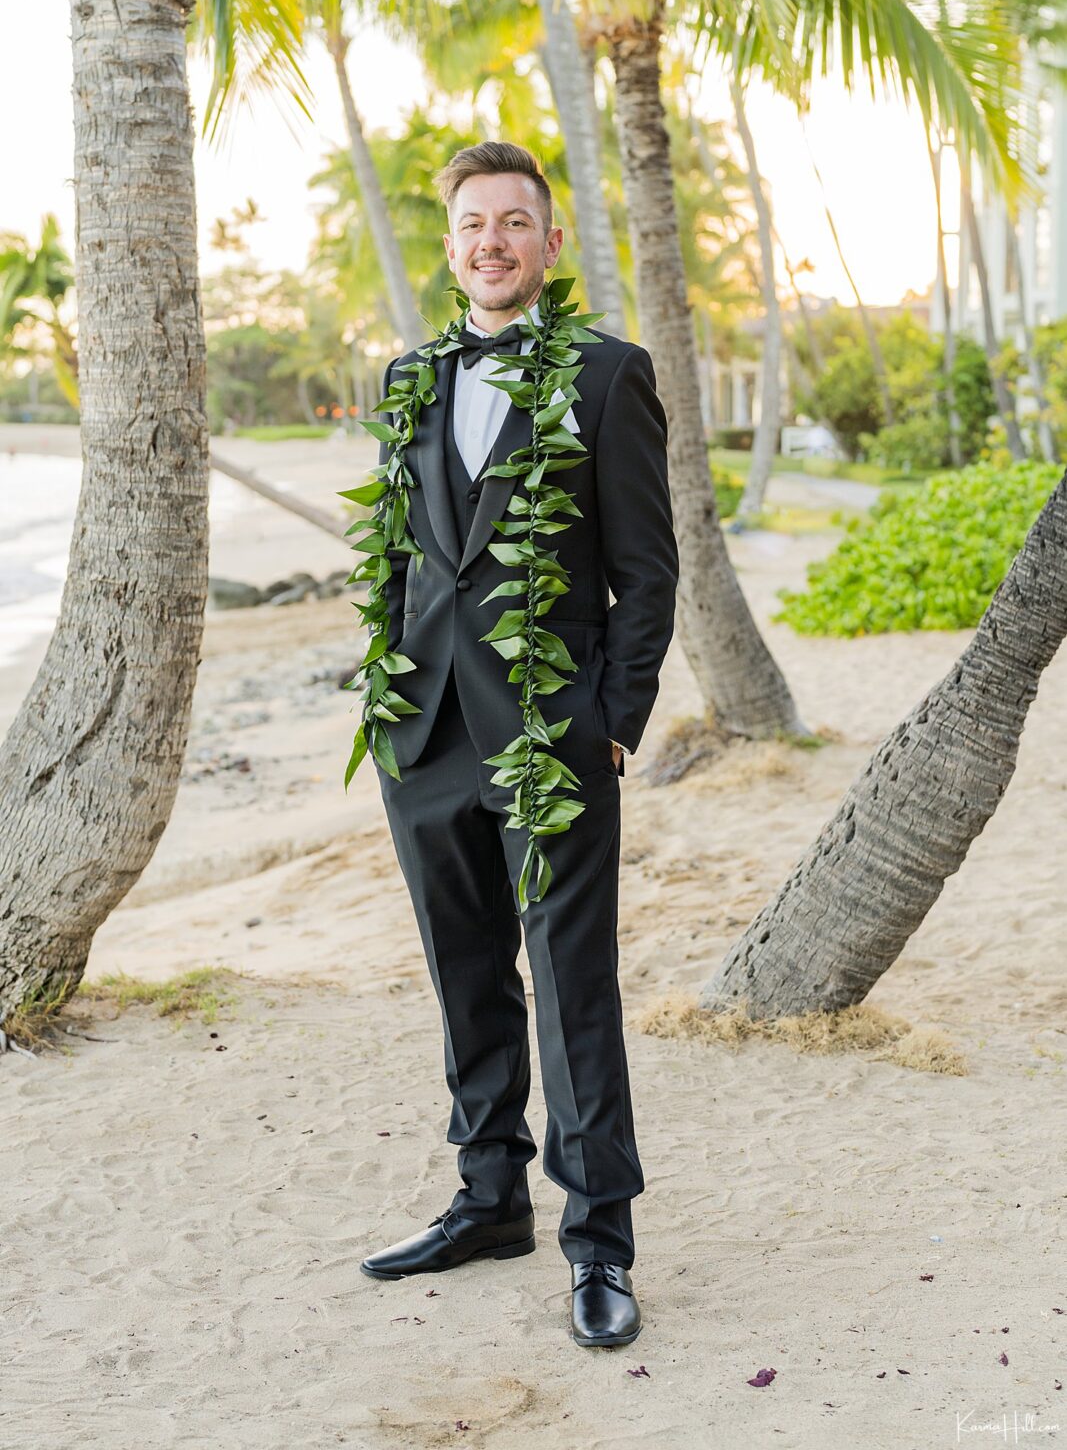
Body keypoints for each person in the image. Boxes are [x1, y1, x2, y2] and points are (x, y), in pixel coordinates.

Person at [360, 141, 678, 1348]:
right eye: (470, 226)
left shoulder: (607, 375)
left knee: (571, 989)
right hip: (425, 733)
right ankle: (487, 1199)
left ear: (548, 246)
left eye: (511, 223)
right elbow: (403, 553)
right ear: (452, 247)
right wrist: (386, 703)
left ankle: (598, 1241)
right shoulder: (410, 377)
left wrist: (611, 721)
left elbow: (647, 573)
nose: (489, 242)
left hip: (552, 739)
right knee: (463, 974)